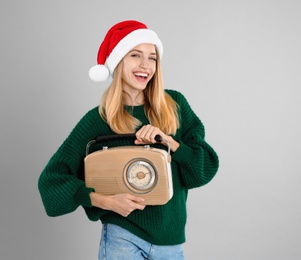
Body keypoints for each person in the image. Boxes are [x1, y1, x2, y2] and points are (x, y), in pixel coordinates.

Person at [38, 20, 219, 259]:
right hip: (121, 237)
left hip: (170, 241)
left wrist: (169, 142)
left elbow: (202, 170)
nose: (145, 65)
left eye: (152, 57)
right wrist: (106, 202)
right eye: (135, 55)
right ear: (118, 60)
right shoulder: (98, 119)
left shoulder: (175, 106)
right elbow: (51, 180)